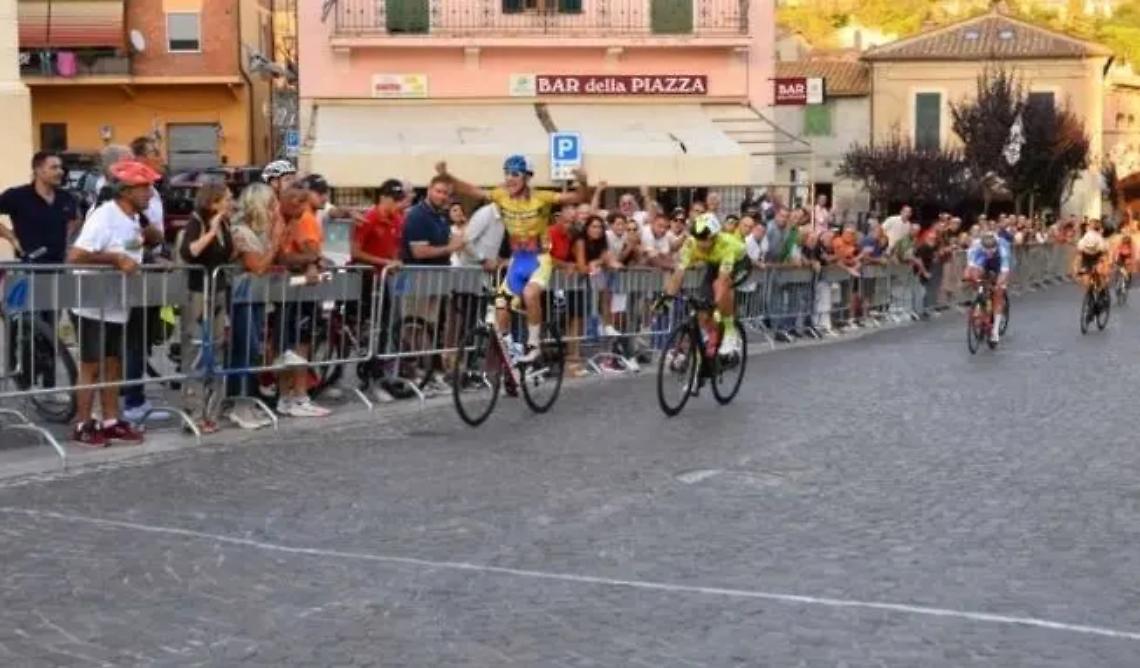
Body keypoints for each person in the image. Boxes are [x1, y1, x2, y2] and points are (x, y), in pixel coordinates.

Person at [435, 156, 591, 364]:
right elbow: (472, 190)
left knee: (530, 293)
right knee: (501, 306)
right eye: (507, 173)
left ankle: (534, 346)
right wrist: (447, 176)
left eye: (515, 174)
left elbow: (577, 197)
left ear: (527, 177)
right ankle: (510, 350)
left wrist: (582, 181)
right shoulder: (501, 196)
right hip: (518, 261)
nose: (509, 178)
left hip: (538, 259)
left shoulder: (542, 197)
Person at [66, 160, 160, 446]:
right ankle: (82, 425)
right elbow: (76, 256)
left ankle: (110, 420)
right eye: (143, 188)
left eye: (150, 187)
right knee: (91, 366)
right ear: (125, 190)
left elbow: (130, 250)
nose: (150, 193)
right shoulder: (105, 215)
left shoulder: (132, 219)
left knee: (113, 363)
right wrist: (115, 259)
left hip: (118, 303)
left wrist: (147, 242)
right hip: (93, 302)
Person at [225, 183, 281, 429]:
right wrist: (277, 241)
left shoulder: (257, 232)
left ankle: (246, 401)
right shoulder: (241, 231)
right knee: (244, 350)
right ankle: (240, 404)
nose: (274, 210)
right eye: (271, 204)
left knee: (253, 349)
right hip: (241, 297)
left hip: (253, 297)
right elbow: (257, 266)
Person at [274, 186, 332, 418]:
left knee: (298, 343)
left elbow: (309, 251)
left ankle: (295, 396)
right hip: (283, 289)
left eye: (304, 204)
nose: (302, 209)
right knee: (291, 345)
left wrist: (311, 261)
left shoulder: (295, 220)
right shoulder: (279, 220)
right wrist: (313, 259)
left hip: (295, 288)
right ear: (286, 201)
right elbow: (283, 256)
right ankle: (291, 396)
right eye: (298, 203)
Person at [660, 213, 747, 357]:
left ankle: (731, 333)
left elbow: (723, 280)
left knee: (722, 288)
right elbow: (679, 273)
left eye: (705, 240)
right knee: (701, 307)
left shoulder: (726, 245)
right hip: (714, 264)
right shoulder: (691, 243)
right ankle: (708, 337)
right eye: (698, 239)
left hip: (739, 265)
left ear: (714, 236)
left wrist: (715, 306)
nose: (701, 243)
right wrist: (667, 298)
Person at [0, 151, 79, 262]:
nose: (60, 172)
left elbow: (74, 221)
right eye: (54, 168)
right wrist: (11, 238)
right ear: (38, 170)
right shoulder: (17, 196)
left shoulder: (66, 198)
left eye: (61, 167)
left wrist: (67, 243)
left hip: (59, 267)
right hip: (27, 266)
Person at [964, 231, 1012, 343]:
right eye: (987, 249)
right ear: (982, 246)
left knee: (998, 292)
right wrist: (972, 279)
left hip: (999, 262)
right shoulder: (976, 246)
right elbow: (970, 268)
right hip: (982, 260)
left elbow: (1004, 272)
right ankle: (980, 302)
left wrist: (999, 285)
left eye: (992, 249)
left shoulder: (1003, 247)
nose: (989, 252)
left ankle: (995, 331)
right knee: (975, 276)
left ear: (996, 246)